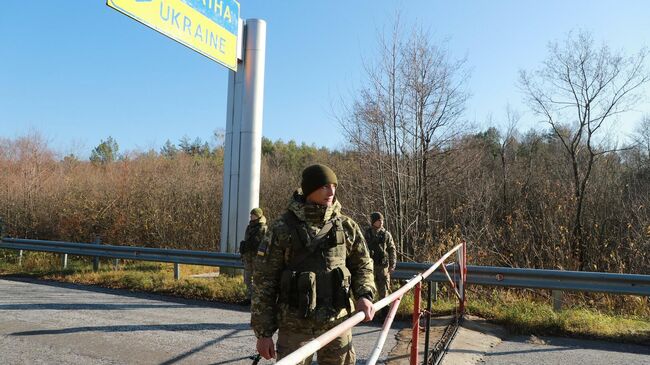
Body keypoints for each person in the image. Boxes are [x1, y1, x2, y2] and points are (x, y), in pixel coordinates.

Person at [252, 164, 376, 365]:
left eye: (334, 186)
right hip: (295, 327)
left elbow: (363, 265)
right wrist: (263, 333)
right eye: (325, 186)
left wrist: (365, 294)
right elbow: (264, 282)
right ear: (310, 189)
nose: (331, 191)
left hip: (338, 323)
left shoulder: (346, 226)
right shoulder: (282, 228)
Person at [364, 212, 396, 305]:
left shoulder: (386, 234)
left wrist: (392, 265)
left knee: (384, 294)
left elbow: (392, 250)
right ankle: (369, 315)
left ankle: (385, 315)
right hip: (370, 267)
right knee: (369, 292)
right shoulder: (367, 234)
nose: (381, 222)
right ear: (374, 221)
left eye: (382, 220)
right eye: (379, 220)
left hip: (383, 268)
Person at [240, 207, 268, 302]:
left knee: (258, 279)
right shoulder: (249, 227)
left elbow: (265, 244)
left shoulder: (263, 228)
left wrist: (262, 257)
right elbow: (246, 240)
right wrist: (243, 254)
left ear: (258, 216)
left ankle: (257, 299)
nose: (251, 216)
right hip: (248, 256)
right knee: (247, 278)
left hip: (257, 257)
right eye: (251, 215)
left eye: (253, 215)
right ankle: (249, 297)